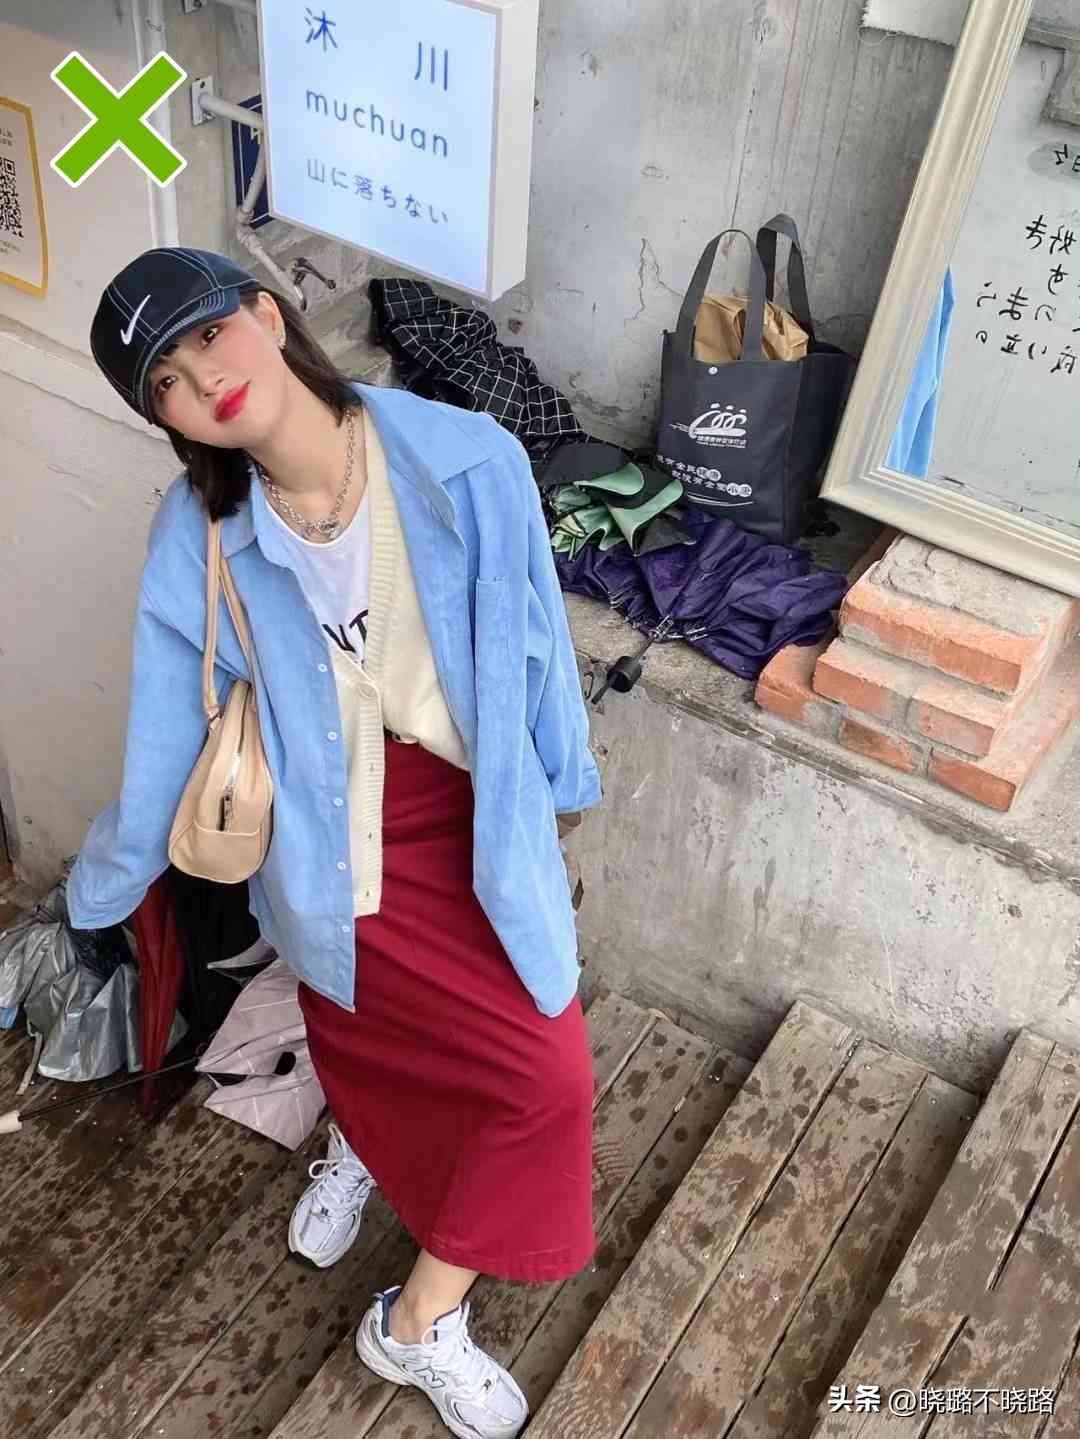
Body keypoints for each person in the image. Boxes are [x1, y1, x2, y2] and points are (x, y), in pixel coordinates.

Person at [67, 247, 603, 1439]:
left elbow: (537, 642)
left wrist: (562, 781)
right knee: (366, 1045)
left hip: (469, 820)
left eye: (206, 336)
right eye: (164, 382)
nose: (201, 381)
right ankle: (365, 1149)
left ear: (266, 314)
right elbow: (163, 736)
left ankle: (411, 1325)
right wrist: (98, 894)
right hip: (327, 836)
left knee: (546, 1079)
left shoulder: (465, 458)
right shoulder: (199, 535)